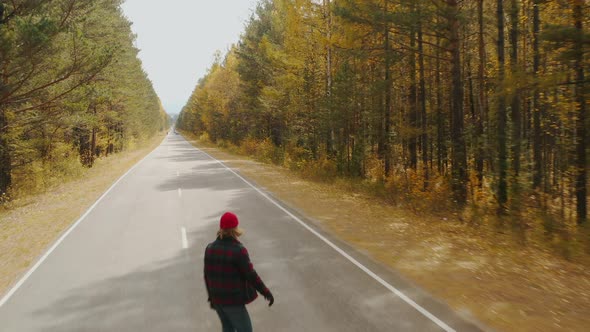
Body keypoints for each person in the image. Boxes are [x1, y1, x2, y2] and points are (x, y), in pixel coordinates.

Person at [204, 212, 274, 332]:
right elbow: (251, 275)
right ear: (235, 229)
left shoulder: (210, 248)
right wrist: (266, 292)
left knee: (228, 328)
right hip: (232, 301)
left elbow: (207, 276)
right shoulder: (238, 250)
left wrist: (211, 297)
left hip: (217, 300)